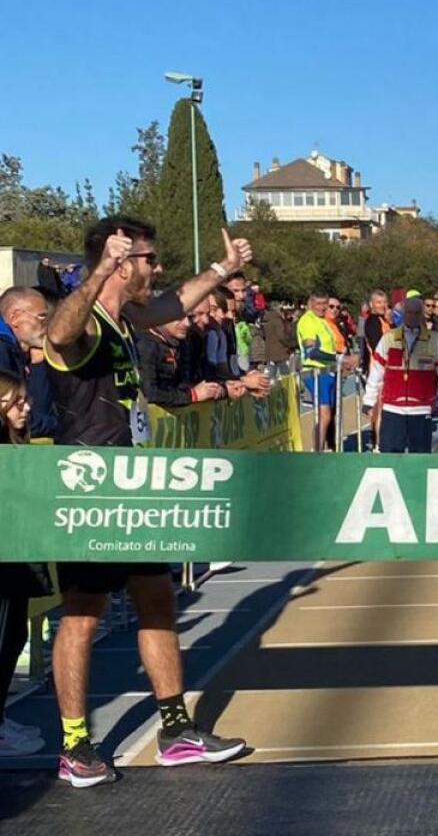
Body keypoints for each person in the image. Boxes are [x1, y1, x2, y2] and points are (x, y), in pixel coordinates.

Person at [42, 217, 251, 787]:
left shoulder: (127, 318)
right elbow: (57, 335)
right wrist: (97, 274)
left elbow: (172, 303)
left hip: (135, 489)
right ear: (117, 262)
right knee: (82, 615)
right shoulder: (86, 320)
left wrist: (223, 269)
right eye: (148, 259)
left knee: (158, 598)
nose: (156, 269)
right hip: (91, 493)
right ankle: (75, 744)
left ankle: (176, 730)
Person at [0, 369, 50, 758]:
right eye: (17, 402)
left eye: (26, 400)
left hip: (16, 555)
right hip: (4, 559)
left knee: (13, 636)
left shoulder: (16, 443)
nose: (26, 408)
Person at [362, 296, 438, 453]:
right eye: (409, 312)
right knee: (390, 456)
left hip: (421, 410)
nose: (413, 316)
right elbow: (376, 371)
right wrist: (369, 400)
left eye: (417, 312)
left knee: (419, 458)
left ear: (422, 314)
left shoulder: (434, 340)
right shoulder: (389, 338)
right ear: (404, 314)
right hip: (393, 409)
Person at [0, 286, 57, 438]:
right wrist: (62, 425)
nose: (48, 325)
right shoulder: (2, 350)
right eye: (42, 317)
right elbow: (12, 416)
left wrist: (38, 363)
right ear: (14, 318)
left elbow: (34, 409)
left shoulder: (17, 351)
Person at [137, 313, 222, 407]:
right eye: (178, 318)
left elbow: (180, 385)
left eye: (190, 317)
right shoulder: (146, 346)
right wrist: (192, 395)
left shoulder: (180, 343)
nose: (187, 323)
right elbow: (149, 394)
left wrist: (212, 390)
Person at [297, 290, 339, 452]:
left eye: (324, 304)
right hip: (315, 371)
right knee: (324, 414)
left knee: (327, 415)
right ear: (310, 304)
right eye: (318, 304)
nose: (322, 307)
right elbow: (311, 351)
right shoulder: (307, 321)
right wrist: (338, 358)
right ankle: (317, 451)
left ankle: (321, 447)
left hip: (327, 371)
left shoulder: (322, 321)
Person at [362, 290, 393, 376]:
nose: (383, 305)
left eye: (385, 302)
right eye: (379, 302)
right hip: (377, 369)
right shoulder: (372, 321)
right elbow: (377, 346)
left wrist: (391, 322)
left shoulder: (386, 321)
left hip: (389, 367)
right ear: (371, 304)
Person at [262, 299, 296, 371]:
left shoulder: (266, 320)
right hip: (280, 352)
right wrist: (291, 345)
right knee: (285, 374)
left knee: (271, 375)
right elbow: (282, 336)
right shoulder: (277, 321)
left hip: (269, 352)